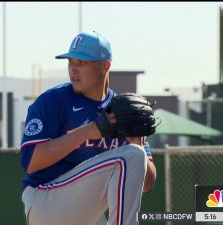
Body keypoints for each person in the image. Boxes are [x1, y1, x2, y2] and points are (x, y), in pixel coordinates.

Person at [20, 31, 157, 225]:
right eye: (71, 62)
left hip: (86, 212)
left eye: (82, 63)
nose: (73, 69)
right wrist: (86, 132)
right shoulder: (53, 100)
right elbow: (30, 162)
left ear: (105, 66)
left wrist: (138, 144)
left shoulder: (123, 110)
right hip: (46, 201)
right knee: (131, 156)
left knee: (135, 154)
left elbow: (147, 185)